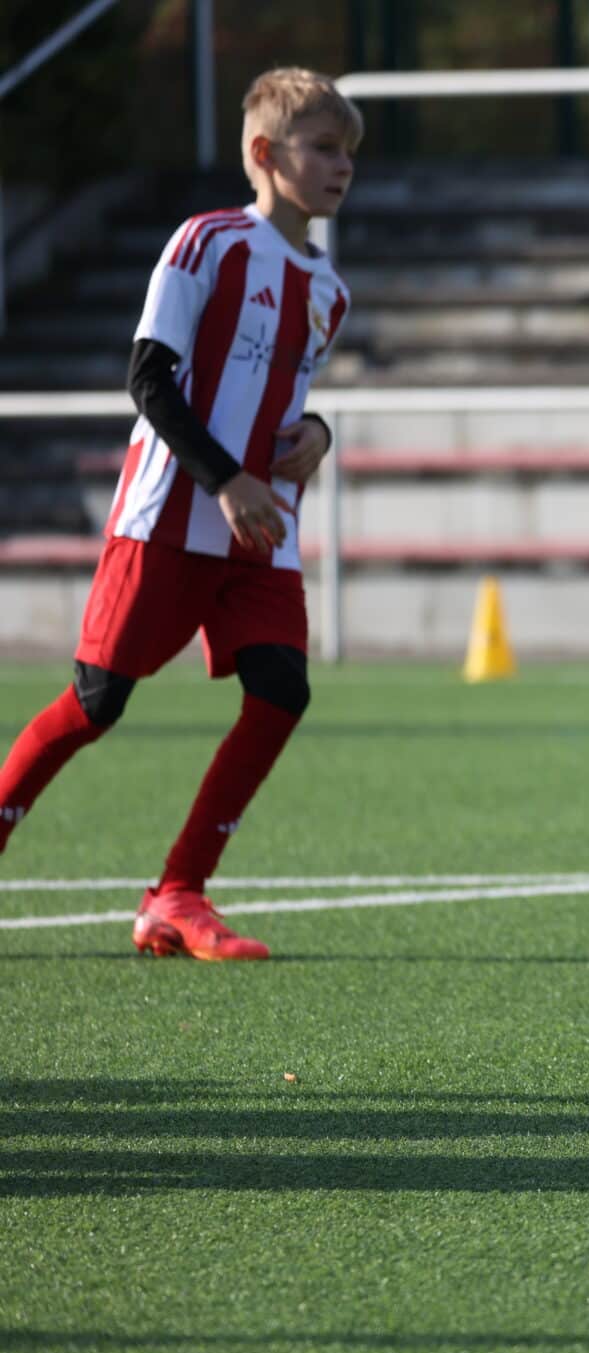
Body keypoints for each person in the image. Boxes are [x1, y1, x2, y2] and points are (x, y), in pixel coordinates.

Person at [0, 68, 359, 961]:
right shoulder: (206, 243)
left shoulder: (328, 289)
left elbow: (287, 398)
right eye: (324, 147)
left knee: (281, 691)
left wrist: (314, 432)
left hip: (261, 530)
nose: (341, 166)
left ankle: (178, 892)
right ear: (264, 154)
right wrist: (225, 479)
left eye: (350, 152)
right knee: (96, 703)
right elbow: (149, 377)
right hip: (173, 512)